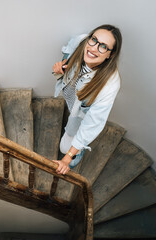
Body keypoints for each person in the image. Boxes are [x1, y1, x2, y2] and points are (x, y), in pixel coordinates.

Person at [52, 24, 122, 175]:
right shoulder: (81, 41)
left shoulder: (109, 84)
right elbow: (68, 51)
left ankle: (79, 153)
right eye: (94, 40)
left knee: (65, 148)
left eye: (103, 46)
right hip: (72, 100)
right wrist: (61, 68)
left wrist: (68, 158)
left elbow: (92, 124)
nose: (94, 48)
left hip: (80, 116)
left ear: (110, 54)